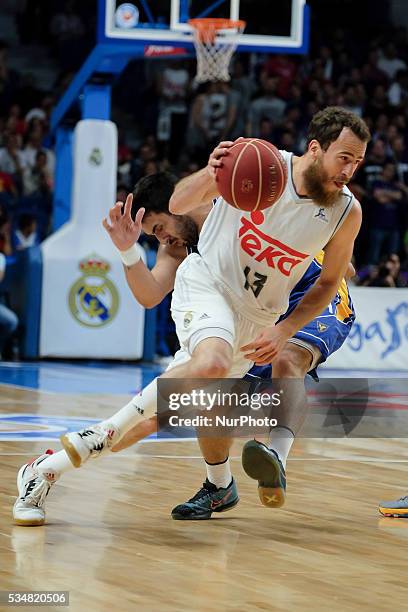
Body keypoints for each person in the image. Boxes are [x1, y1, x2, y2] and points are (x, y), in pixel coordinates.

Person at [13, 106, 370, 525]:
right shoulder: (257, 165)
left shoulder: (347, 211)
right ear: (315, 148)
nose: (350, 169)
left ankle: (45, 469)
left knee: (186, 406)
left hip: (271, 311)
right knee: (212, 369)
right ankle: (106, 433)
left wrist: (287, 325)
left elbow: (330, 281)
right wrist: (209, 173)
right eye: (344, 157)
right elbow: (170, 230)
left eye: (357, 161)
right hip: (211, 284)